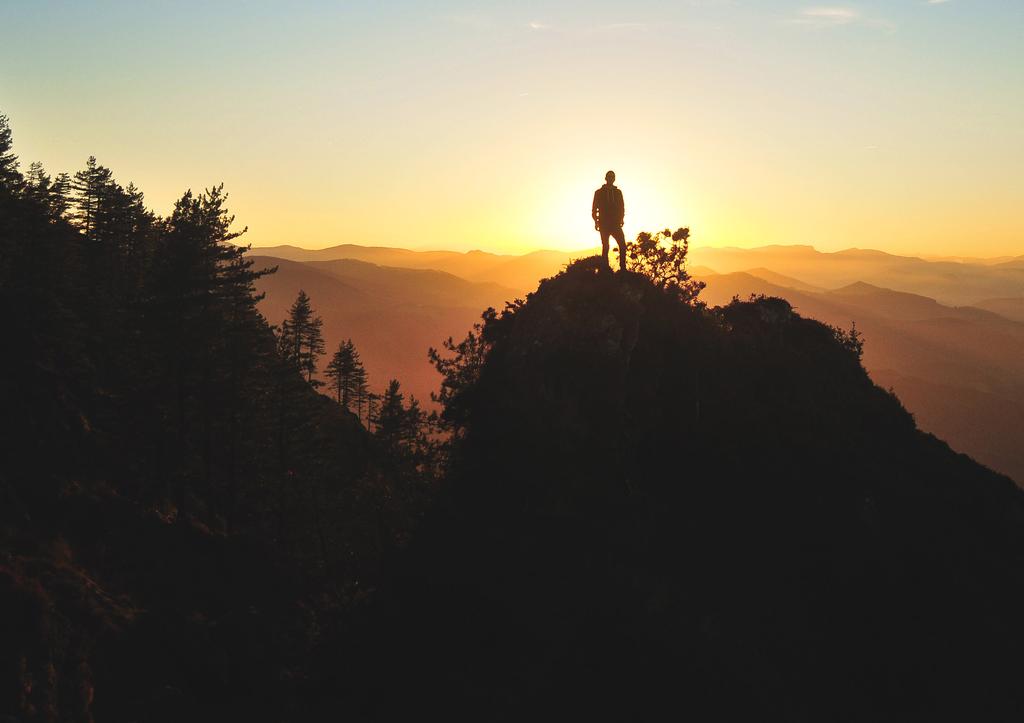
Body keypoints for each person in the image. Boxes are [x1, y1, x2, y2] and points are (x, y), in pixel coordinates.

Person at [592, 170, 626, 271]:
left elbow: (622, 207)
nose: (611, 179)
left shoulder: (618, 192)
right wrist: (596, 221)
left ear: (614, 179)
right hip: (604, 223)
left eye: (612, 177)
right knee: (605, 246)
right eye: (609, 177)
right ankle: (605, 268)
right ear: (606, 178)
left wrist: (621, 219)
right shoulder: (598, 192)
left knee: (623, 245)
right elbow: (594, 209)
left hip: (615, 224)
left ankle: (623, 268)